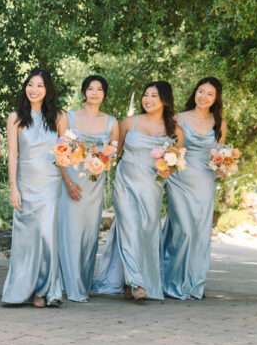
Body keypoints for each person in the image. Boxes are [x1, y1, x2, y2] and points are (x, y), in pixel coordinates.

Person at [94, 81, 182, 301]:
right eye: (146, 95)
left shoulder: (174, 130)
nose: (148, 100)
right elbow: (113, 152)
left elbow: (175, 162)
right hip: (125, 182)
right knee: (130, 227)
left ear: (165, 100)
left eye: (154, 96)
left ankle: (126, 281)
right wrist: (94, 164)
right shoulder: (129, 122)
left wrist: (167, 171)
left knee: (146, 231)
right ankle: (137, 283)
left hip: (151, 187)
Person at [1, 68, 66, 307]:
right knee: (26, 237)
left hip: (50, 182)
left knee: (47, 233)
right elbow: (13, 157)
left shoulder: (59, 116)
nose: (34, 90)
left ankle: (45, 289)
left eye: (39, 85)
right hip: (25, 182)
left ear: (47, 89)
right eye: (30, 84)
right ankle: (23, 288)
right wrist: (13, 188)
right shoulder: (15, 118)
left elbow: (66, 152)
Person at [57, 75, 119, 303]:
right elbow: (59, 153)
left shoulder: (112, 122)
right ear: (84, 92)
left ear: (104, 94)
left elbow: (113, 155)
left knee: (89, 235)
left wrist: (101, 161)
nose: (94, 93)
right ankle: (72, 287)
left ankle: (82, 281)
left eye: (99, 89)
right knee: (70, 231)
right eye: (90, 89)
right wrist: (68, 182)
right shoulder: (67, 117)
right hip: (71, 181)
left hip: (94, 184)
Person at [163, 77, 225, 300]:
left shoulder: (219, 123)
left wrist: (224, 166)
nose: (204, 97)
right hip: (180, 179)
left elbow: (219, 156)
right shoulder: (178, 118)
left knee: (199, 233)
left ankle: (193, 283)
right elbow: (172, 149)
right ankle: (171, 281)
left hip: (205, 183)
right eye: (201, 91)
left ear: (216, 99)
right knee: (183, 230)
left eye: (210, 94)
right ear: (195, 93)